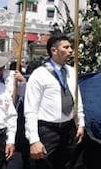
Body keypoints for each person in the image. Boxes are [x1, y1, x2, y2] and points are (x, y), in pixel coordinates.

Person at [25, 34, 85, 169]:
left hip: (69, 129)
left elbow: (77, 98)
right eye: (66, 47)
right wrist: (34, 140)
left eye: (71, 47)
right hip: (47, 130)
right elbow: (30, 110)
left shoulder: (71, 71)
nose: (71, 51)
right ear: (54, 50)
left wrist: (80, 123)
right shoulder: (39, 74)